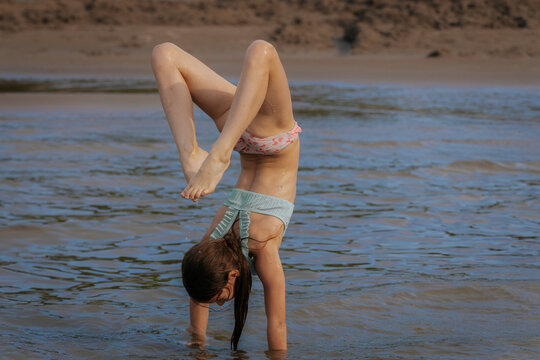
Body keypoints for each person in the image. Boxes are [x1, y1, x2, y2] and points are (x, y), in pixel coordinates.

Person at [151, 39, 300, 352]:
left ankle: (212, 154)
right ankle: (191, 153)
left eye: (219, 298)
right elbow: (199, 289)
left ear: (233, 275)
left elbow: (278, 323)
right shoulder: (213, 240)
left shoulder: (262, 246)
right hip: (239, 131)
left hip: (266, 135)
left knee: (262, 51)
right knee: (164, 54)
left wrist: (198, 343)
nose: (219, 304)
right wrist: (196, 343)